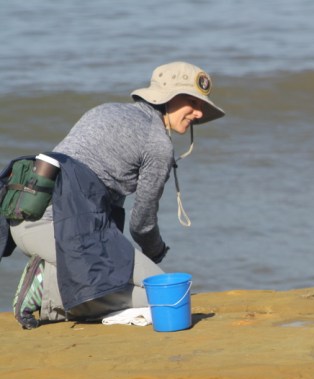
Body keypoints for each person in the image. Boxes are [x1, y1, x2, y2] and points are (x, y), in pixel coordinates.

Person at [5, 61, 225, 329]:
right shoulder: (157, 144)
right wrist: (155, 251)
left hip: (24, 219)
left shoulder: (105, 110)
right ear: (168, 97)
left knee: (116, 280)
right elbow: (142, 223)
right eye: (192, 102)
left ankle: (52, 277)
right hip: (57, 228)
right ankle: (46, 289)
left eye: (202, 105)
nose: (199, 113)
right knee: (162, 298)